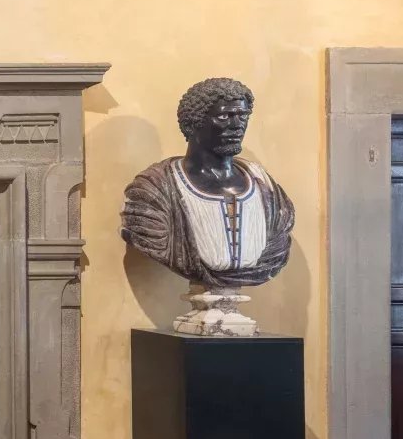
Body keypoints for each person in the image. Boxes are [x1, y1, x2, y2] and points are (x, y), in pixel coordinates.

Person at [121, 76, 293, 290]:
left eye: (242, 116)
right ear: (192, 124)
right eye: (224, 116)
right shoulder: (153, 190)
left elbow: (277, 244)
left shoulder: (267, 189)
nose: (237, 126)